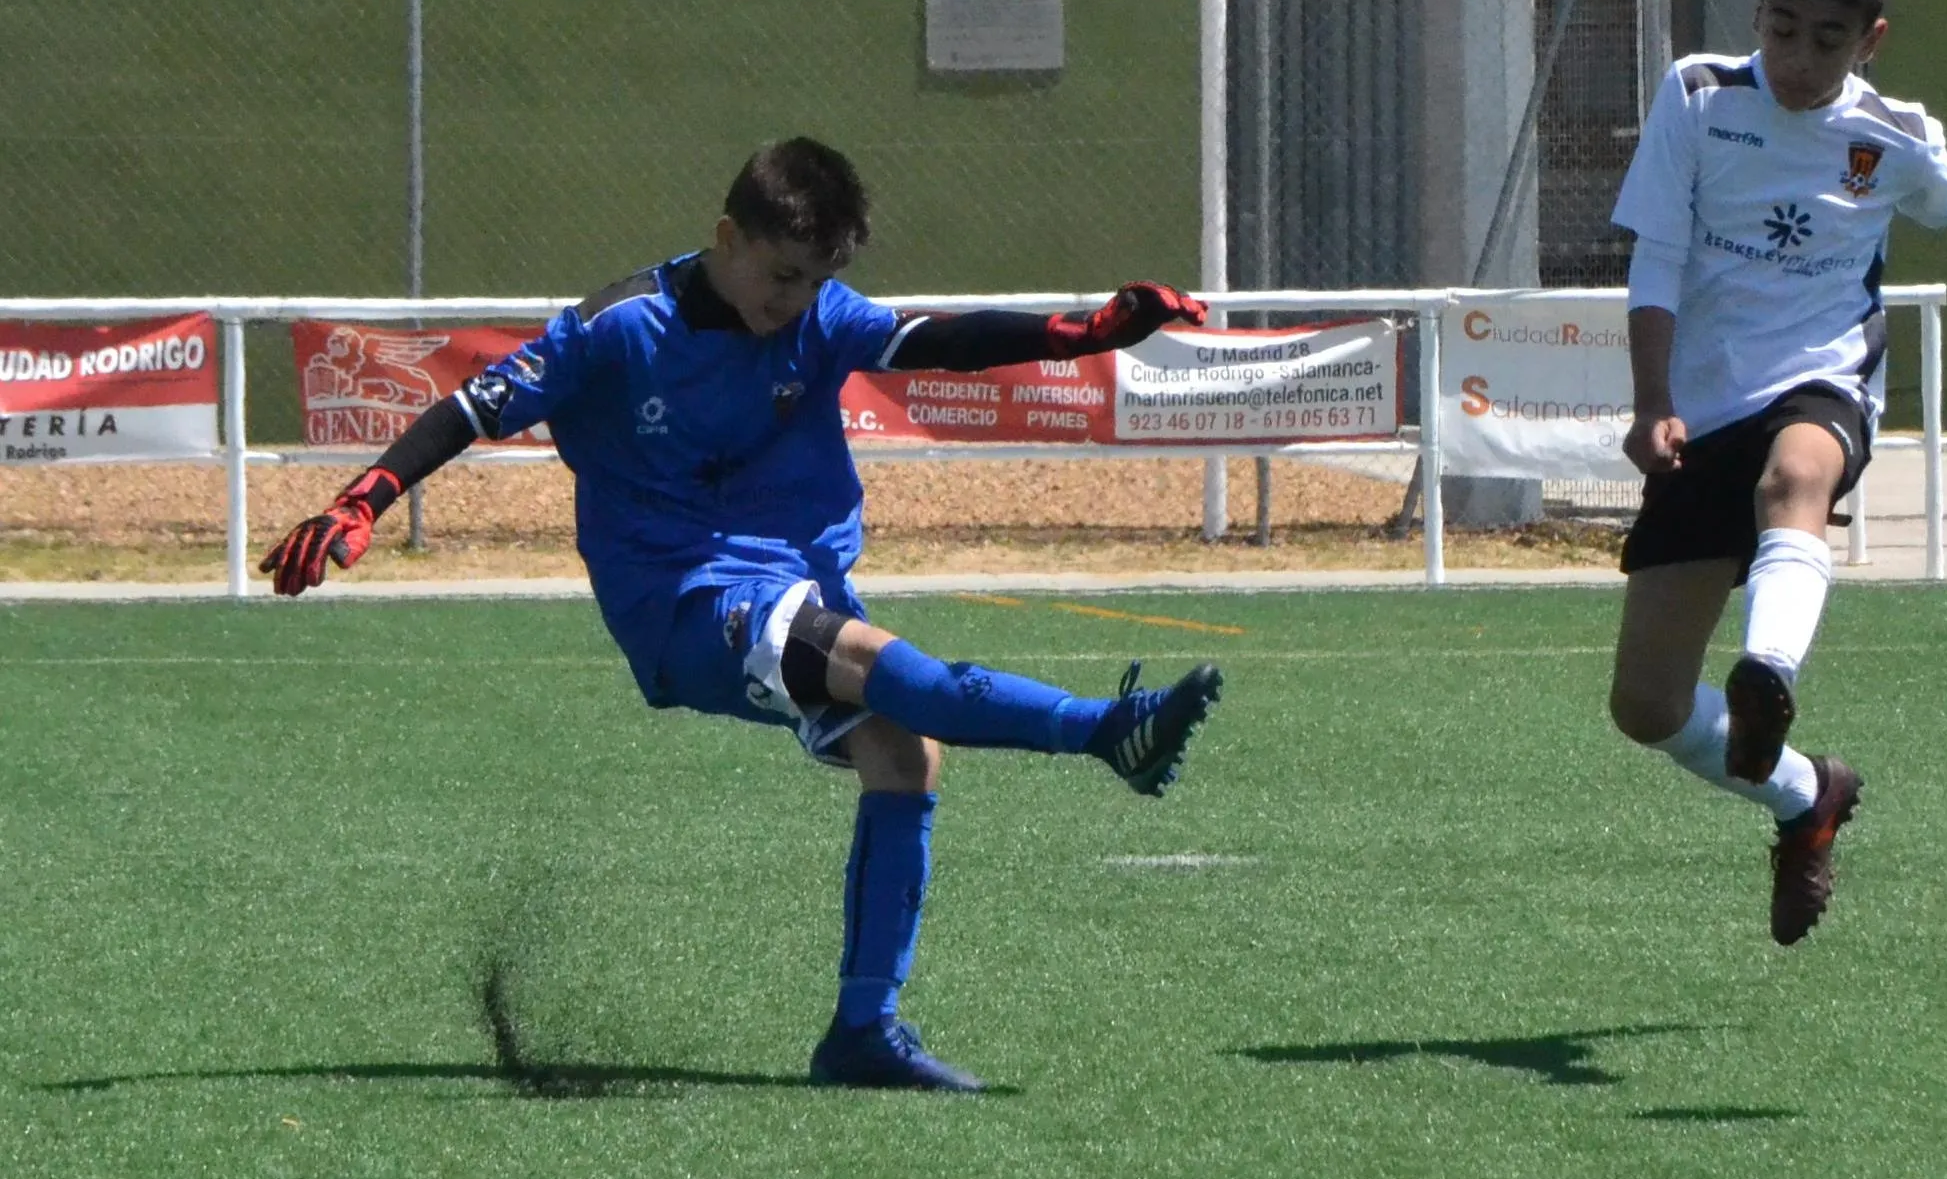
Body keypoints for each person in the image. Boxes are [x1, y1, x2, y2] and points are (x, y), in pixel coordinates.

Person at [261, 137, 1225, 1091]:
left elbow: (935, 340)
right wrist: (362, 500)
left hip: (786, 584)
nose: (792, 303)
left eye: (811, 283)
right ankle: (1106, 731)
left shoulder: (816, 319)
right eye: (781, 275)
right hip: (682, 603)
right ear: (727, 237)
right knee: (873, 659)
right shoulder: (619, 326)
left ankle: (861, 1032)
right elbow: (473, 407)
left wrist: (1080, 332)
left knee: (904, 756)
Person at [1605, 0, 1947, 945]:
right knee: (1643, 706)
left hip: (1821, 379)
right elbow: (1655, 257)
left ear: (1869, 37)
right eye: (1779, 26)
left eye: (1825, 38)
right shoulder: (1696, 94)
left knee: (1796, 483)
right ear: (1757, 11)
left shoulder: (1888, 134)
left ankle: (1769, 669)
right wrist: (1651, 404)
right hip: (1700, 406)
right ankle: (1801, 796)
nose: (1795, 56)